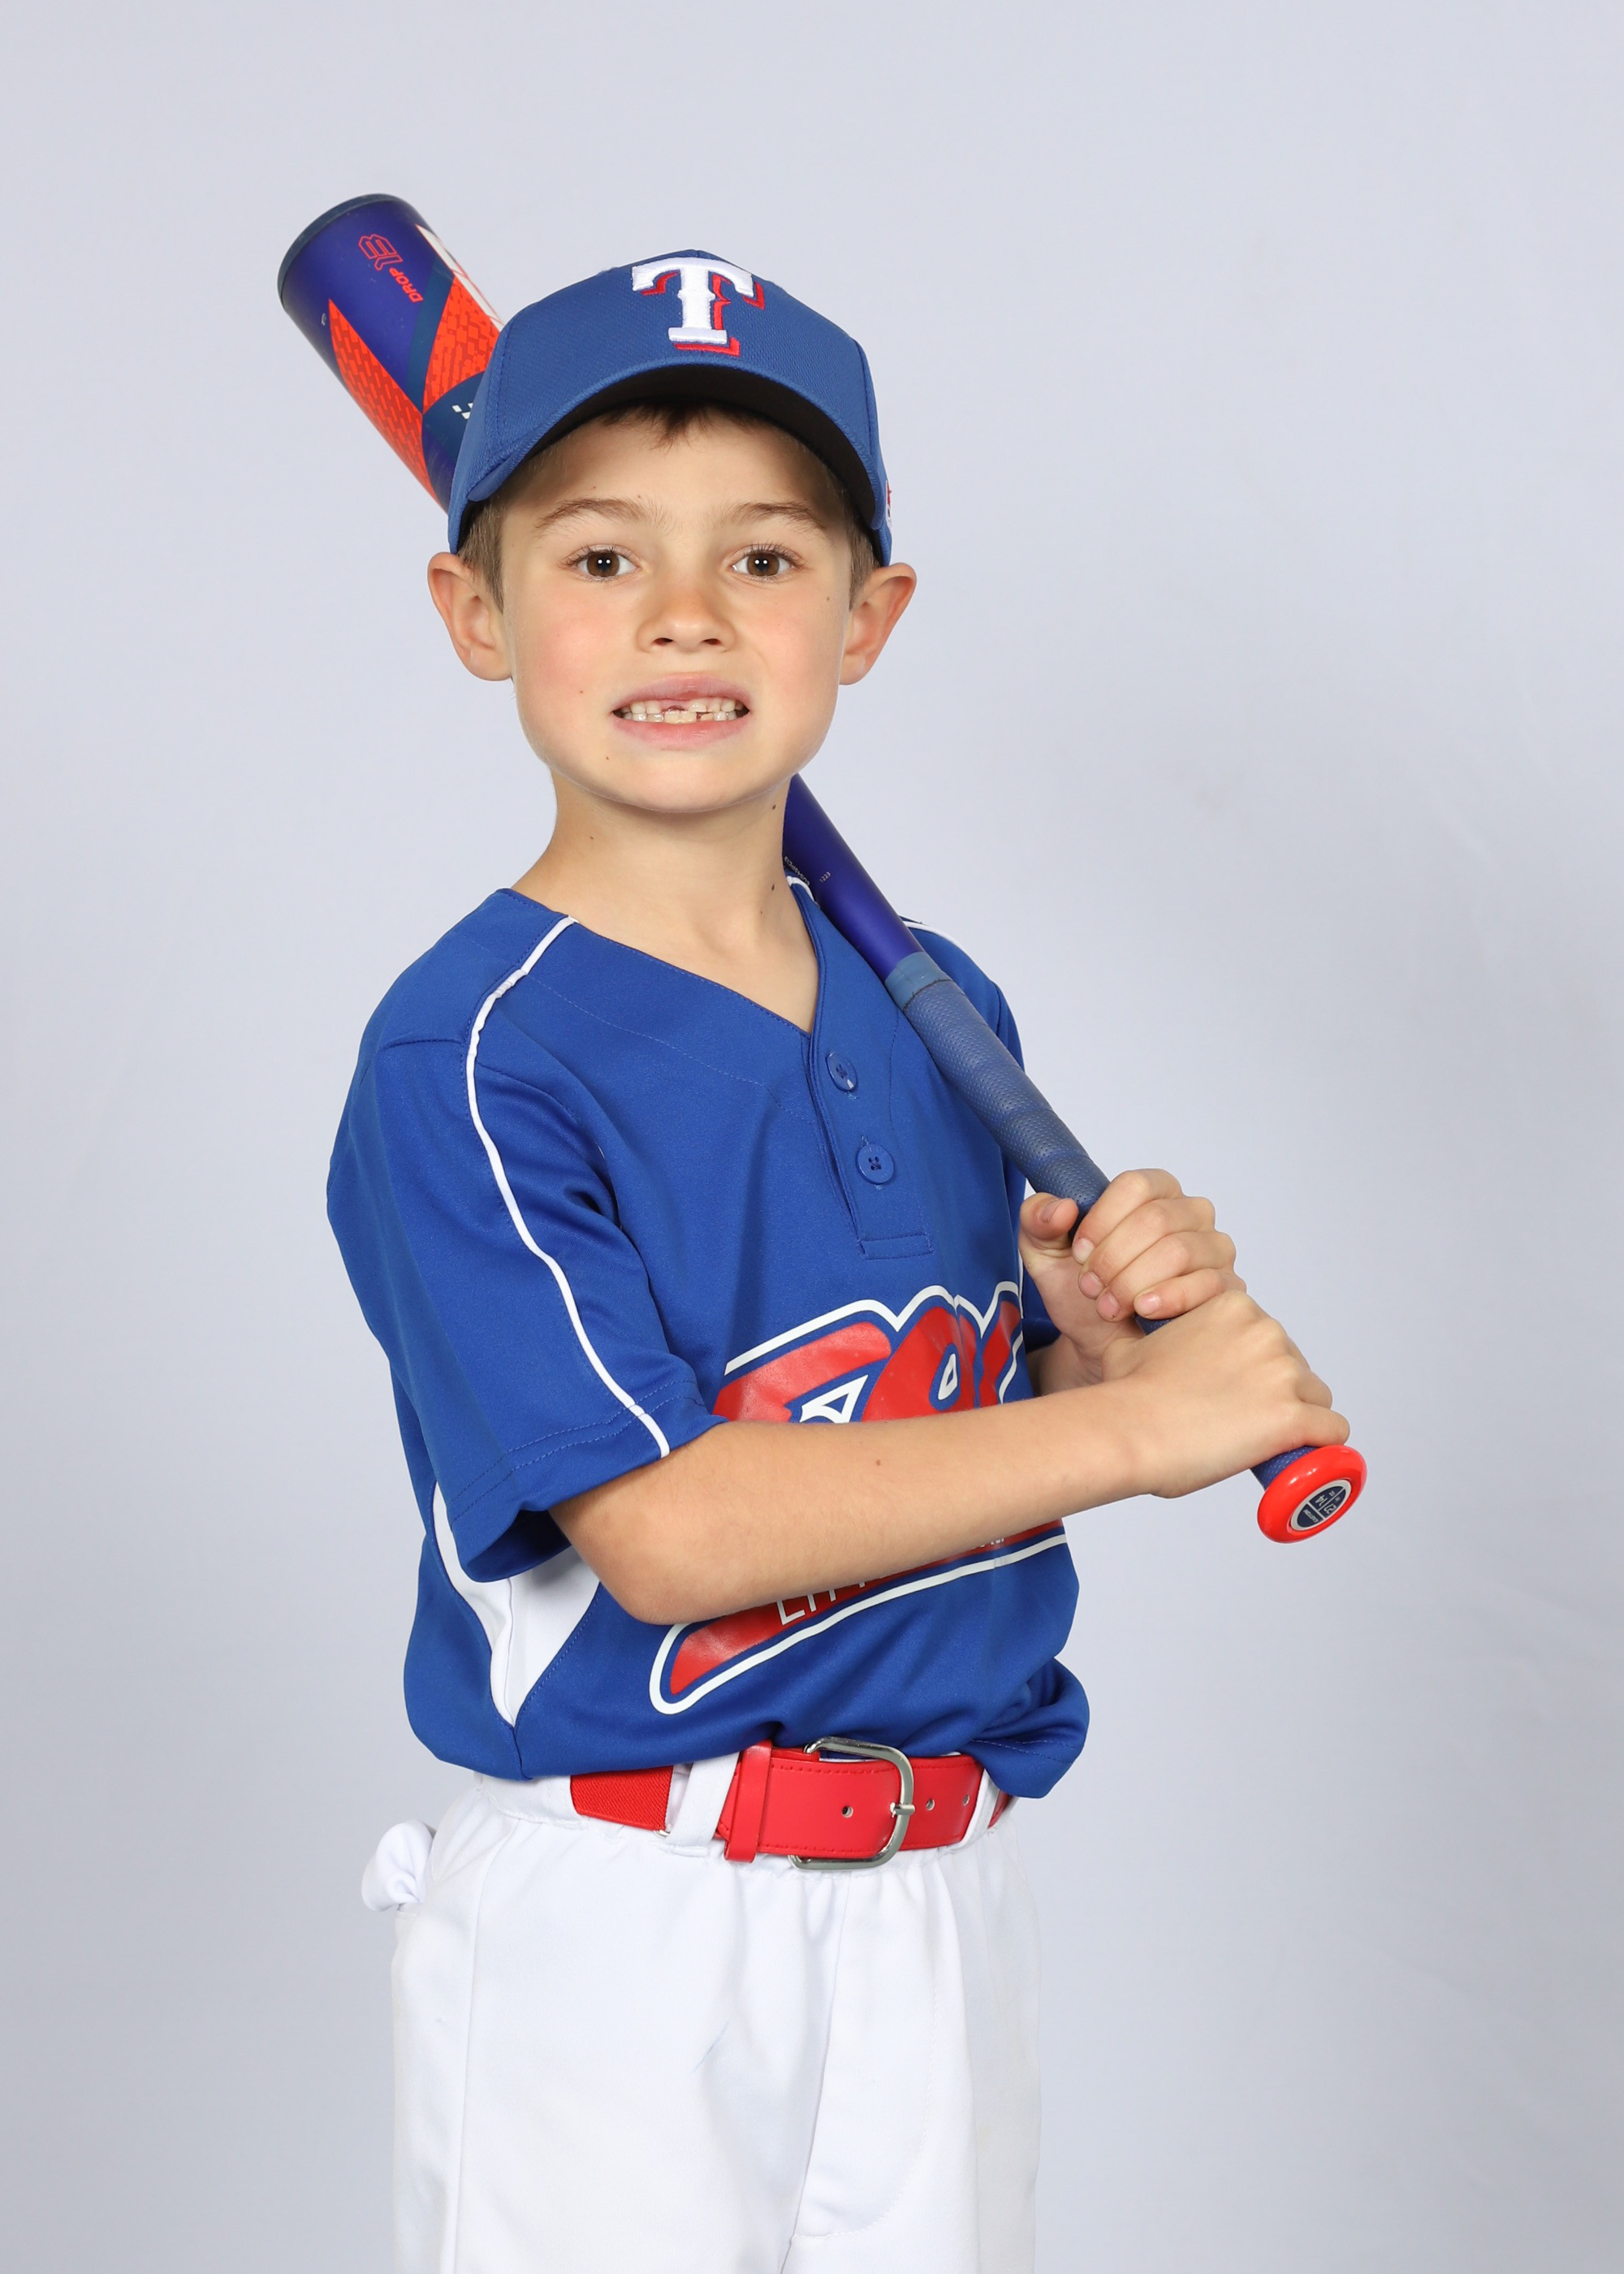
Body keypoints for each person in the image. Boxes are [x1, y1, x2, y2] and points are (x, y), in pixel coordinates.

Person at [327, 251, 1347, 2274]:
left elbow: (923, 1432)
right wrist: (1138, 1437)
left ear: (866, 619)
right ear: (475, 611)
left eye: (765, 557)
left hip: (940, 1898)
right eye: (600, 555)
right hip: (632, 1923)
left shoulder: (936, 1005)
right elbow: (674, 1531)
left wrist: (1074, 1361)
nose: (685, 614)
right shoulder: (470, 1056)